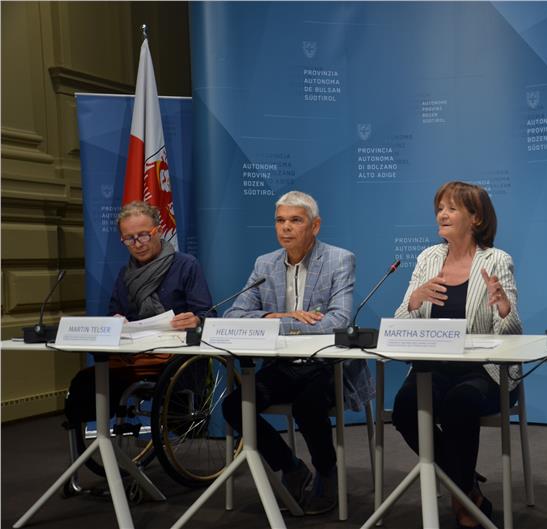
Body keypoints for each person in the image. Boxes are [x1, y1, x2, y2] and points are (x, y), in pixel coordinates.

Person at [221, 190, 373, 515]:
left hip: (327, 365)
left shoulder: (339, 260)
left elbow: (337, 321)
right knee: (234, 406)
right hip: (283, 366)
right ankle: (290, 467)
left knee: (308, 405)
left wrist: (274, 324)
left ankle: (327, 471)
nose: (286, 227)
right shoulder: (265, 264)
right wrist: (280, 316)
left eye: (295, 220)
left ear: (314, 226)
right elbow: (234, 315)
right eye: (280, 220)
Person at [391, 181, 523, 529]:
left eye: (451, 208)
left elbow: (511, 334)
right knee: (404, 408)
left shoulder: (496, 260)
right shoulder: (428, 258)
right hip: (433, 368)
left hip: (484, 370)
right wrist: (415, 300)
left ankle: (460, 494)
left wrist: (504, 306)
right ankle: (464, 485)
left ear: (475, 218)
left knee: (459, 404)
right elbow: (401, 322)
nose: (442, 215)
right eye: (440, 208)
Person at [64, 201, 214, 428]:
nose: (137, 244)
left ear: (158, 230)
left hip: (175, 358)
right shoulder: (126, 274)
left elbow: (208, 315)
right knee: (83, 383)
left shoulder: (185, 265)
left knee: (173, 386)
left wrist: (196, 320)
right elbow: (114, 313)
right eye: (129, 239)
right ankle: (96, 437)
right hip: (135, 358)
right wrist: (116, 321)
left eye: (144, 235)